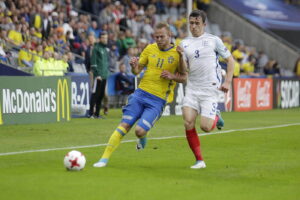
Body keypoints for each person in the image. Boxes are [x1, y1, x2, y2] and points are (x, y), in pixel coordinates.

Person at [93, 22, 187, 168]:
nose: (159, 39)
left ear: (170, 35)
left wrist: (172, 76)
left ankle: (143, 137)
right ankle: (103, 159)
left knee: (139, 131)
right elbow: (137, 72)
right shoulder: (150, 48)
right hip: (140, 94)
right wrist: (133, 65)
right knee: (124, 125)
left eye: (162, 36)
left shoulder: (178, 52)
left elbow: (184, 77)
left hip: (157, 100)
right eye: (156, 36)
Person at [178, 10, 234, 169]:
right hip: (192, 87)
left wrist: (228, 82)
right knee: (188, 122)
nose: (193, 26)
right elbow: (183, 70)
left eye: (196, 23)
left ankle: (216, 116)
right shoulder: (184, 43)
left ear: (204, 24)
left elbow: (230, 61)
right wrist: (180, 57)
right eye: (191, 23)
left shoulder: (213, 40)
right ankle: (199, 160)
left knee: (206, 127)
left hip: (210, 89)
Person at [89, 31, 109, 118]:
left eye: (106, 38)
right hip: (98, 76)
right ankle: (91, 113)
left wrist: (106, 73)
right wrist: (97, 74)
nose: (105, 40)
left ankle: (97, 113)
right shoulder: (96, 48)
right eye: (104, 38)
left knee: (101, 95)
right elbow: (93, 63)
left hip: (104, 75)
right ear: (100, 39)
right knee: (95, 94)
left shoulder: (105, 49)